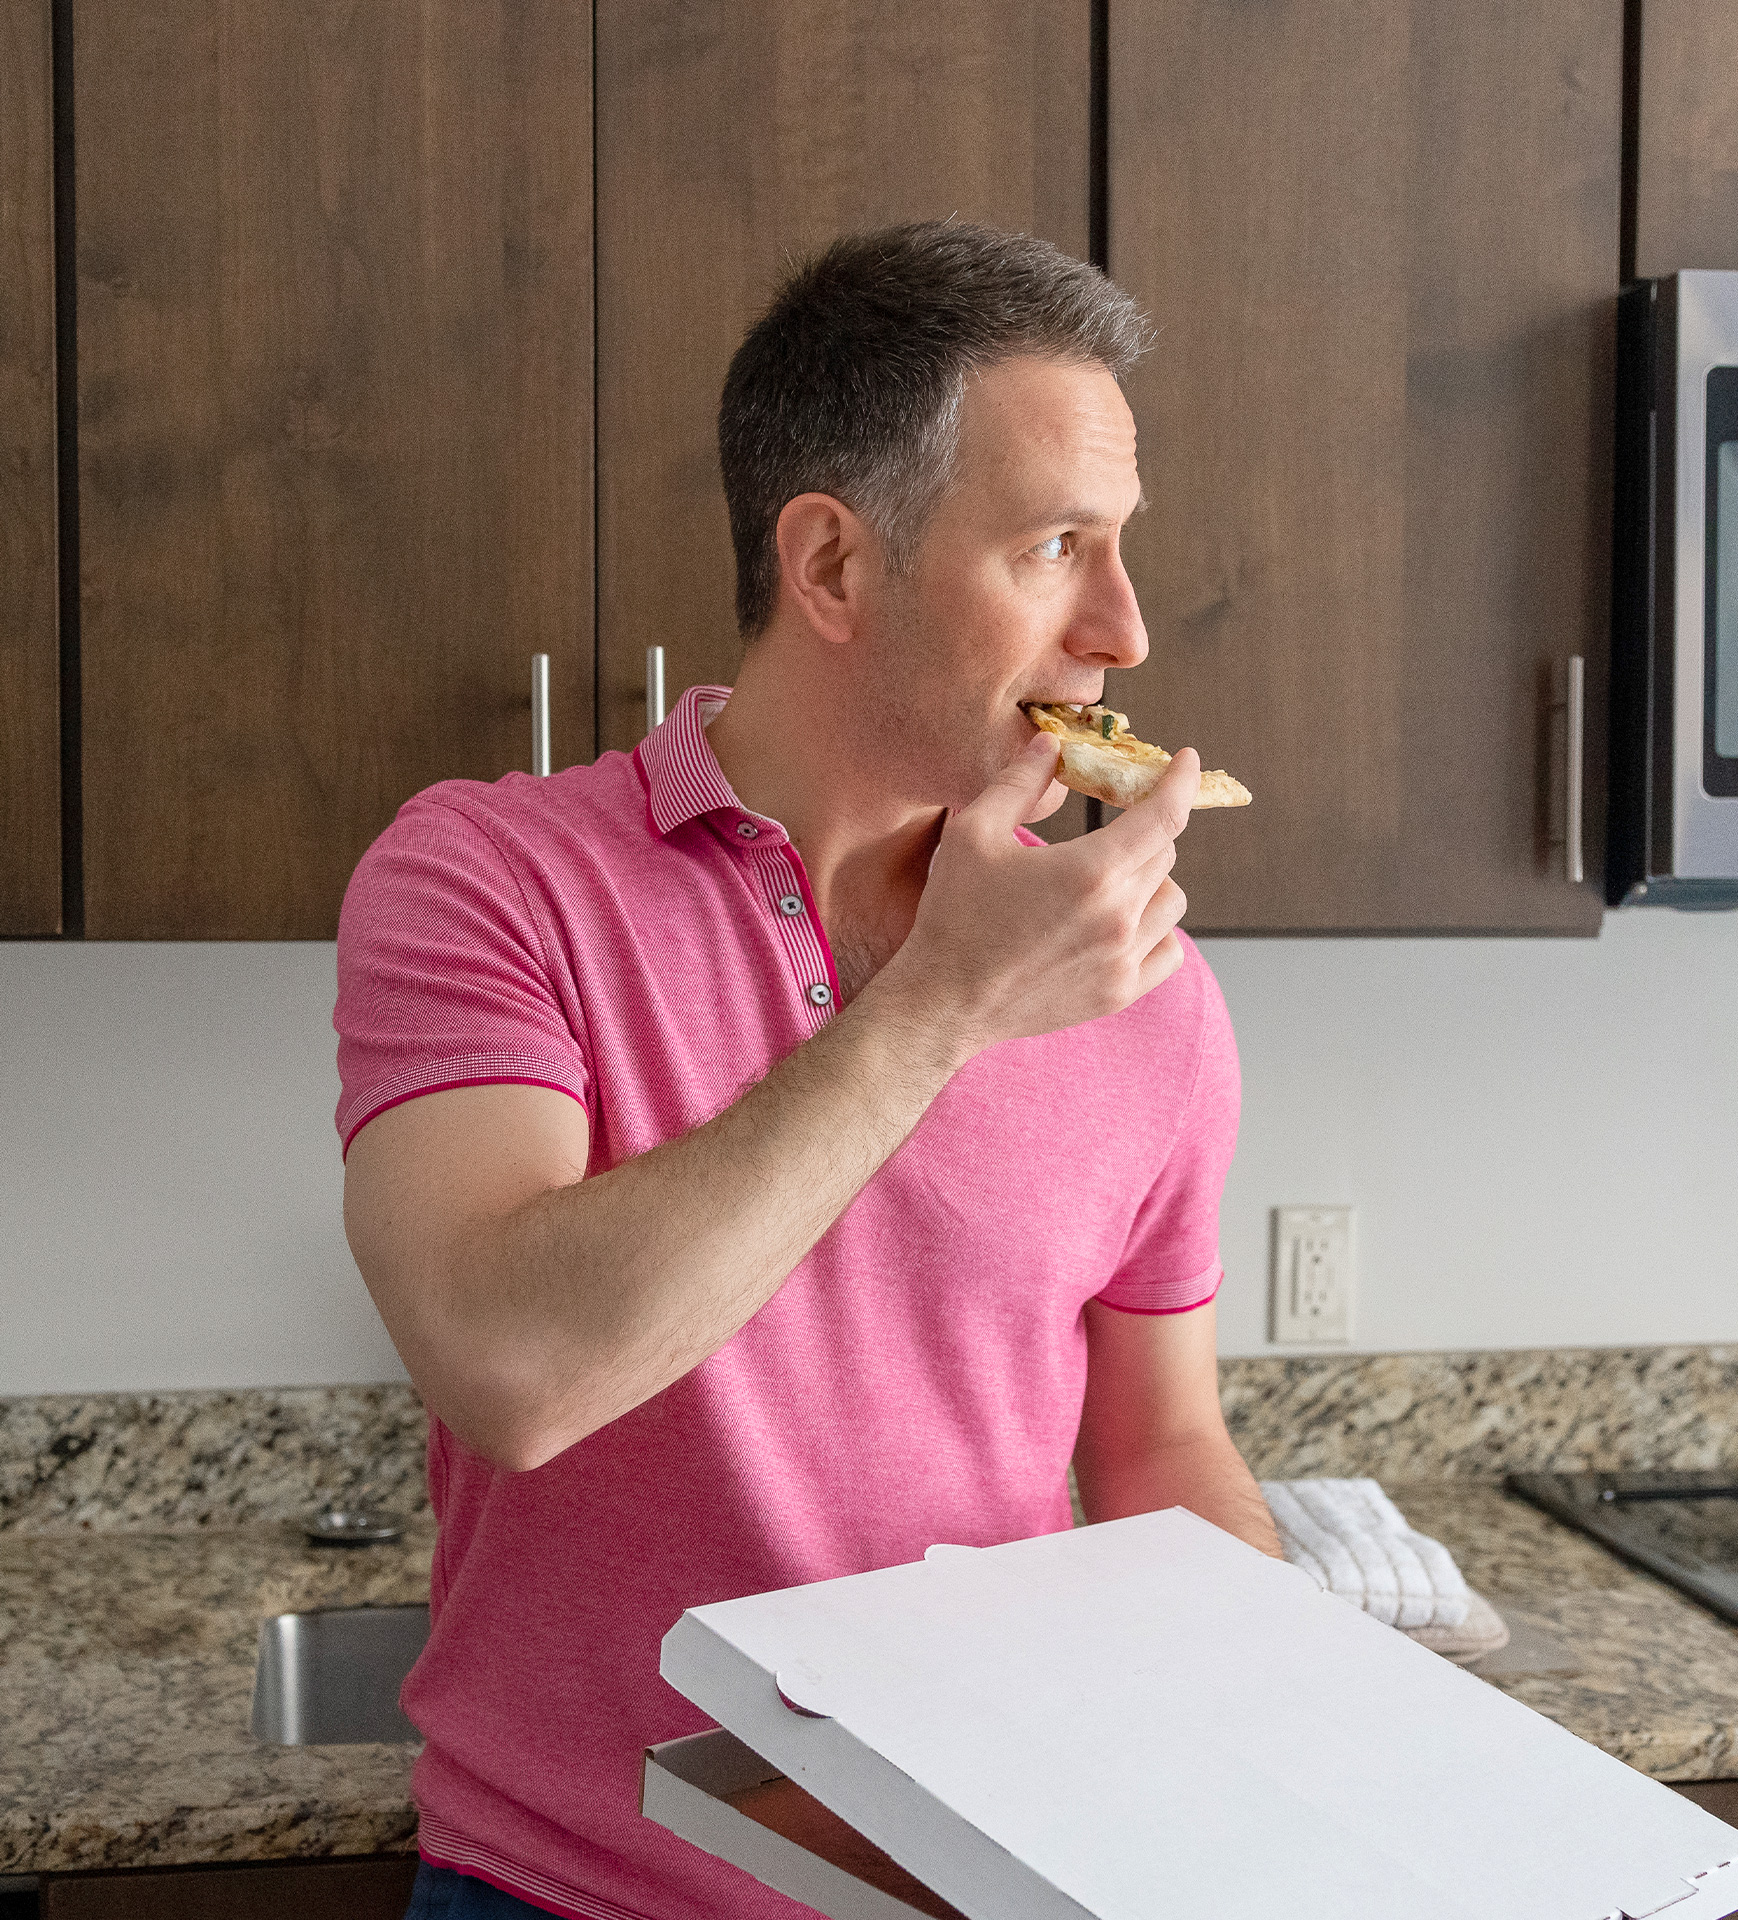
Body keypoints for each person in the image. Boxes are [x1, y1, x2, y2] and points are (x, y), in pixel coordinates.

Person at [336, 220, 1276, 1920]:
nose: (1124, 630)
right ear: (834, 568)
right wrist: (940, 1009)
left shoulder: (1143, 980)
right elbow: (511, 1365)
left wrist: (1277, 1756)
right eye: (1057, 547)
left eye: (1120, 548)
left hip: (975, 1888)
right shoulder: (488, 878)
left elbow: (1158, 1452)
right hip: (572, 1895)